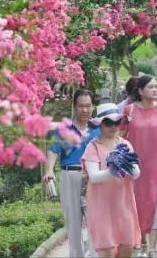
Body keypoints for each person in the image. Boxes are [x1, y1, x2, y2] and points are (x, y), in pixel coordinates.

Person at [121, 75, 157, 258]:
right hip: (135, 167)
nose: (156, 90)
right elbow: (120, 135)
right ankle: (143, 243)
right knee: (137, 204)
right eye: (151, 87)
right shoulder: (128, 111)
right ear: (140, 91)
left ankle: (152, 248)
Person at [44, 89, 100, 258]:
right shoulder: (63, 129)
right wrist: (48, 171)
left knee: (95, 221)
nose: (85, 110)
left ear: (93, 107)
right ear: (74, 107)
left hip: (92, 178)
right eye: (81, 106)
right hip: (70, 176)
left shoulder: (99, 128)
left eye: (88, 106)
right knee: (73, 224)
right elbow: (53, 151)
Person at [84, 104, 142, 258]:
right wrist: (114, 169)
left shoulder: (125, 144)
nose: (113, 126)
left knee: (126, 248)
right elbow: (94, 177)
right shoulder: (93, 147)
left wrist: (129, 166)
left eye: (117, 122)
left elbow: (136, 173)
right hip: (102, 206)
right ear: (100, 124)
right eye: (108, 123)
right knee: (107, 251)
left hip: (124, 204)